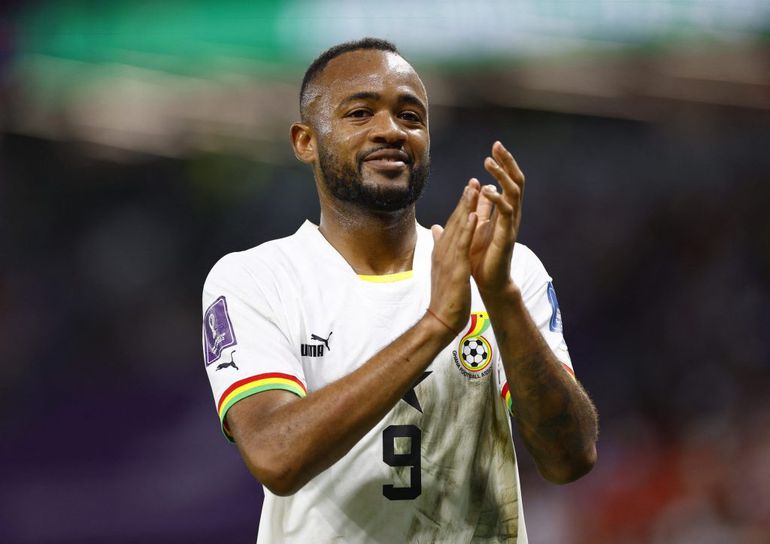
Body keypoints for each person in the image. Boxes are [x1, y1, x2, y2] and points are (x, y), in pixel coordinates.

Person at [202, 37, 598, 543]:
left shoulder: (505, 272)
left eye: (411, 117)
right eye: (360, 113)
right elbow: (275, 456)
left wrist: (502, 299)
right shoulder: (257, 278)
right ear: (305, 141)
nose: (390, 130)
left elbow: (570, 460)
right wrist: (435, 326)